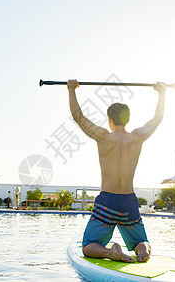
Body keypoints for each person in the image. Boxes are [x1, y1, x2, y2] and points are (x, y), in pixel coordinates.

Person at [67, 79, 166, 263]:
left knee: (88, 246)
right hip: (129, 200)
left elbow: (78, 117)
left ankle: (109, 252)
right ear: (128, 119)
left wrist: (71, 89)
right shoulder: (137, 137)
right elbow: (158, 118)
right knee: (140, 241)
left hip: (107, 201)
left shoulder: (103, 136)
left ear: (110, 120)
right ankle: (142, 251)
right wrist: (162, 93)